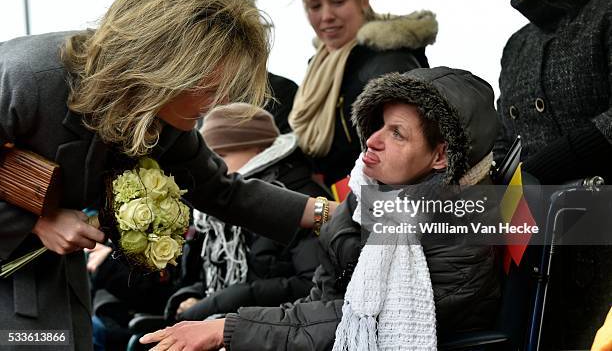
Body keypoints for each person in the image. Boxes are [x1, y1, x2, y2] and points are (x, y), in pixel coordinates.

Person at [0, 0, 332, 351]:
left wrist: (330, 213)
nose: (222, 103)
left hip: (55, 291)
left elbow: (222, 191)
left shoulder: (165, 116)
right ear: (167, 64)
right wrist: (38, 220)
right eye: (211, 86)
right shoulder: (25, 78)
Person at [141, 67, 501, 350]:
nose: (373, 140)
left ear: (441, 155)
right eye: (377, 126)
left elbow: (360, 321)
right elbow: (322, 300)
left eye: (397, 134)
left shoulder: (460, 224)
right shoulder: (371, 198)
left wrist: (228, 329)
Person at [492, 0, 612, 347]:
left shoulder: (607, 14)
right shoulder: (516, 45)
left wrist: (557, 159)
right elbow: (504, 133)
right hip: (534, 232)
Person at [164, 103, 328, 322]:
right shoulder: (210, 215)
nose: (208, 168)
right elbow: (214, 278)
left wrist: (221, 302)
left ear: (259, 149)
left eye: (219, 156)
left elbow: (313, 284)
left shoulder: (301, 197)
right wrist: (192, 296)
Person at [288, 0, 438, 188]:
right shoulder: (317, 64)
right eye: (315, 6)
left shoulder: (390, 61)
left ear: (363, 1)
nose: (326, 16)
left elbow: (407, 153)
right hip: (333, 199)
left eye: (337, 1)